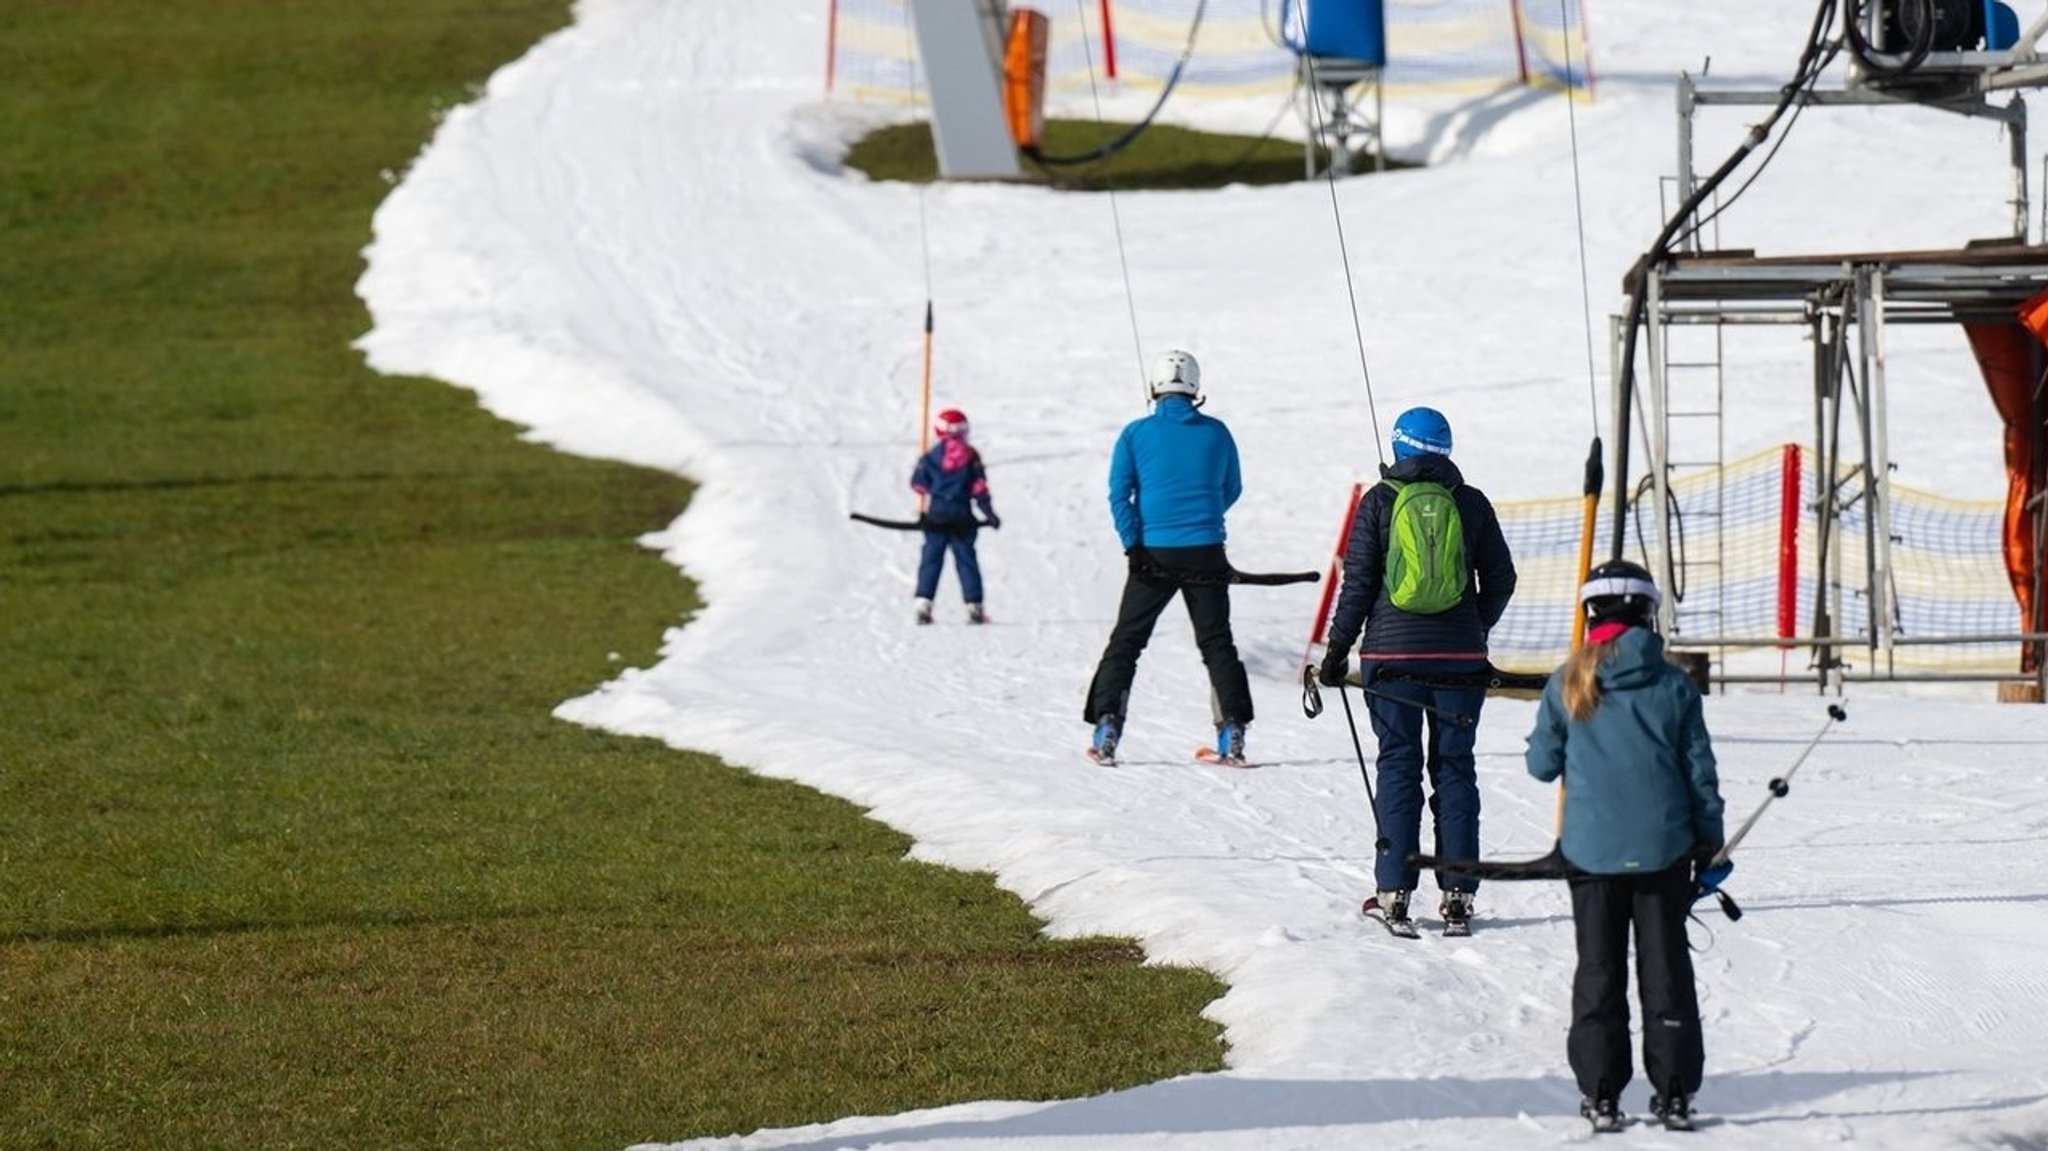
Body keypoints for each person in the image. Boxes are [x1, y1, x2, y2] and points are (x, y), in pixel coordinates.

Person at [1524, 559, 1725, 1133]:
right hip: (1665, 851)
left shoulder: (1567, 680)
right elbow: (1700, 778)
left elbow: (1541, 767)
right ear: (1647, 614)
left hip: (1589, 853)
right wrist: (1711, 847)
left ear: (1590, 615)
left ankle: (1601, 1093)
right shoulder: (1673, 684)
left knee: (1598, 971)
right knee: (1667, 972)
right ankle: (1675, 1093)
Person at [1316, 406, 1517, 934]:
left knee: (1398, 765)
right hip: (1461, 661)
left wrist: (1337, 652)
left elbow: (1357, 583)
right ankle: (1458, 896)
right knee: (1454, 767)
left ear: (1399, 446)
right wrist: (1474, 627)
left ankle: (1395, 892)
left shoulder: (1379, 503)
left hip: (1392, 660)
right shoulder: (1471, 503)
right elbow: (1502, 577)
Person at [1084, 349, 1254, 765]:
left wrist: (1133, 544)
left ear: (1155, 388)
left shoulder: (1134, 434)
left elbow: (1118, 494)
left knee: (1126, 642)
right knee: (1217, 643)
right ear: (1195, 388)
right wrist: (1202, 518)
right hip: (1207, 551)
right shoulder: (1217, 432)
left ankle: (1107, 727)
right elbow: (1231, 488)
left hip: (1152, 554)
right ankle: (1232, 733)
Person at [910, 408, 999, 625]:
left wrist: (923, 473)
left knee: (931, 560)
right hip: (962, 517)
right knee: (966, 561)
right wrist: (989, 513)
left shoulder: (932, 457)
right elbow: (979, 489)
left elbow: (918, 485)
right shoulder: (971, 456)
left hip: (937, 516)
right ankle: (974, 606)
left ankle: (924, 603)